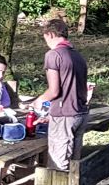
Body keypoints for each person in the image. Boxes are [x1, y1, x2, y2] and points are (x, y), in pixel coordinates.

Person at [34, 17, 90, 171]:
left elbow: (54, 91)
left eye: (45, 37)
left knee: (58, 163)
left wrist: (39, 100)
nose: (45, 41)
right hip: (81, 113)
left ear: (50, 34)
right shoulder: (78, 56)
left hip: (65, 115)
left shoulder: (53, 55)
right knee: (74, 161)